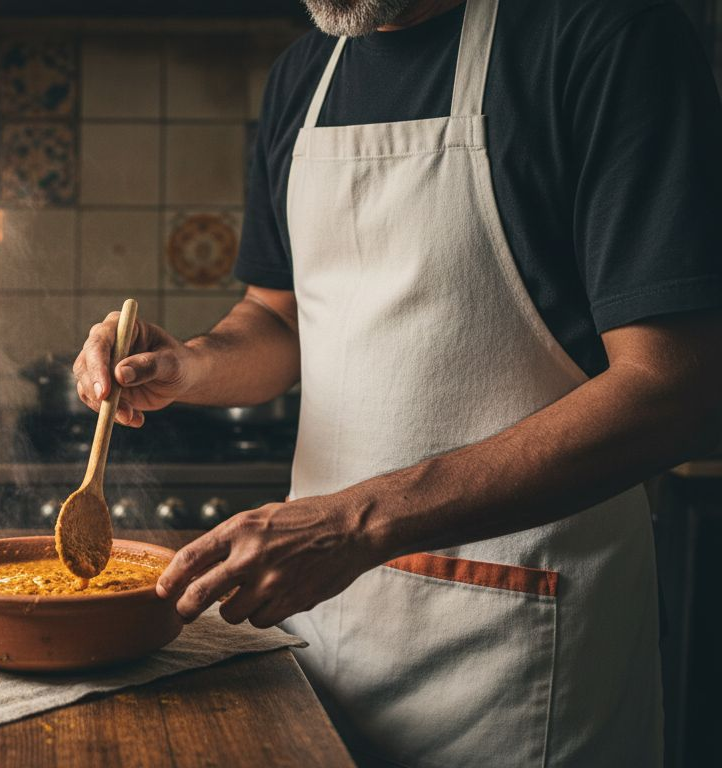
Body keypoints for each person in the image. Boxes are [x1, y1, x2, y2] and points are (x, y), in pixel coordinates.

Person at [72, 0, 722, 764]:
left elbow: (676, 388)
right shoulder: (303, 74)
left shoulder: (606, 35)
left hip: (520, 651)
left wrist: (352, 525)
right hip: (319, 636)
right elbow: (279, 319)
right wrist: (190, 364)